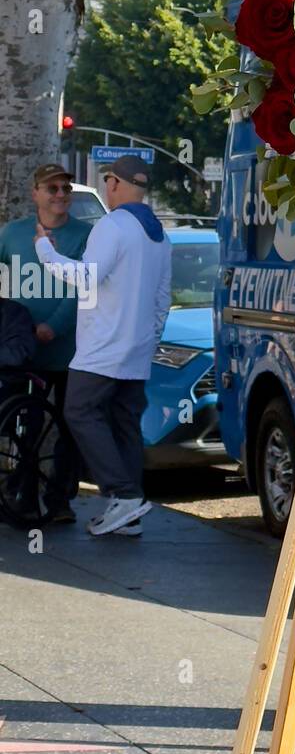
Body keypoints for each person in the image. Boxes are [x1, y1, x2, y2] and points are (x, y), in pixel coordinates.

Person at [35, 155, 172, 538]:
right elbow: (163, 299)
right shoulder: (159, 233)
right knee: (125, 423)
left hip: (102, 347)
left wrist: (45, 251)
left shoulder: (112, 226)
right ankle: (129, 513)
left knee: (78, 411)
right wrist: (147, 341)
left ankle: (124, 495)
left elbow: (86, 277)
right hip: (136, 350)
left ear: (113, 183)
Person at [0, 165, 91, 521]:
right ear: (35, 193)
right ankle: (20, 493)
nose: (59, 195)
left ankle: (59, 500)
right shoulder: (14, 234)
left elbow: (83, 288)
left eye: (65, 188)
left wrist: (53, 326)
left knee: (70, 425)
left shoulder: (84, 236)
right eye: (51, 188)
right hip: (25, 352)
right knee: (27, 425)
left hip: (70, 350)